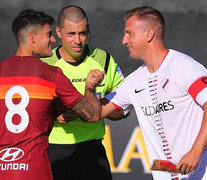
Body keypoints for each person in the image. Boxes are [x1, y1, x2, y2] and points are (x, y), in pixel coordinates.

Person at [100, 6, 207, 180]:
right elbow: (98, 111)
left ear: (149, 34)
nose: (124, 40)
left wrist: (195, 152)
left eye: (129, 33)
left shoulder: (183, 66)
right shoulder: (133, 81)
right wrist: (87, 90)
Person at [0, 9, 104, 180]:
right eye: (49, 35)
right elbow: (92, 115)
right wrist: (90, 89)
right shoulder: (51, 74)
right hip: (36, 170)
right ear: (32, 37)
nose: (53, 40)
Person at [41, 5, 126, 180]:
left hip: (92, 151)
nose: (78, 40)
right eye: (71, 34)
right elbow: (28, 110)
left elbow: (124, 107)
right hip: (53, 150)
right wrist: (53, 114)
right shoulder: (45, 63)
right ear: (58, 32)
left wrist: (95, 111)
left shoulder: (104, 59)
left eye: (83, 33)